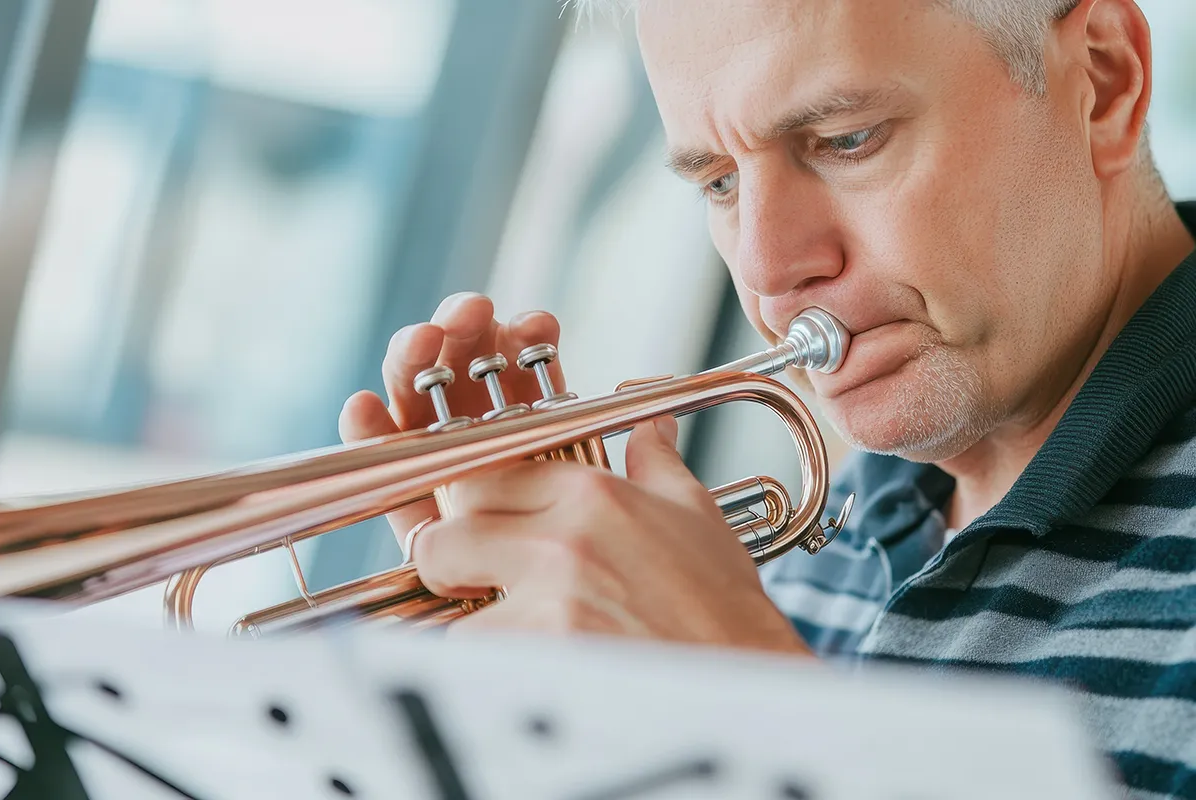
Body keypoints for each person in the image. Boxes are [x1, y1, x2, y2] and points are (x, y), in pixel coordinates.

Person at [339, 0, 1196, 796]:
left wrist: (754, 711)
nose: (767, 269)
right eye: (717, 183)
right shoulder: (817, 532)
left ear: (1102, 81)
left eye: (846, 138)